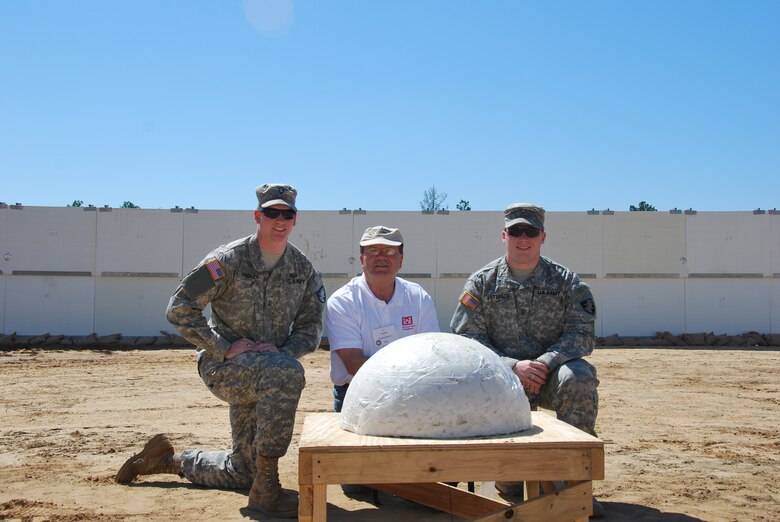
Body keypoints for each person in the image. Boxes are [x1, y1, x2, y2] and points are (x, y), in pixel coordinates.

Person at [115, 183, 326, 519]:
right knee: (287, 373)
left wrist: (284, 350)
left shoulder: (302, 270)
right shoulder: (225, 262)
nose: (280, 220)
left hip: (269, 373)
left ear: (295, 219)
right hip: (225, 369)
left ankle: (165, 460)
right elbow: (179, 306)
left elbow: (312, 326)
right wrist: (222, 346)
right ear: (258, 216)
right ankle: (267, 490)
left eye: (288, 214)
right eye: (272, 212)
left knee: (243, 470)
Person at [450, 202, 603, 517]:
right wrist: (512, 366)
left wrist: (546, 363)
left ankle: (577, 486)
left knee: (578, 378)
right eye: (515, 231)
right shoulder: (481, 283)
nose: (523, 238)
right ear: (503, 236)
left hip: (549, 376)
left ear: (543, 236)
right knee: (513, 490)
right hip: (500, 380)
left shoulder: (566, 282)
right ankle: (508, 477)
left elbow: (582, 334)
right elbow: (467, 339)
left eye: (530, 231)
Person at [327, 225, 440, 413]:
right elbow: (353, 363)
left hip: (413, 394)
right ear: (362, 260)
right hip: (358, 395)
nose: (381, 257)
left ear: (401, 260)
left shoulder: (419, 298)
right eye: (373, 251)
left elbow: (431, 354)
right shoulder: (343, 302)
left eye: (389, 251)